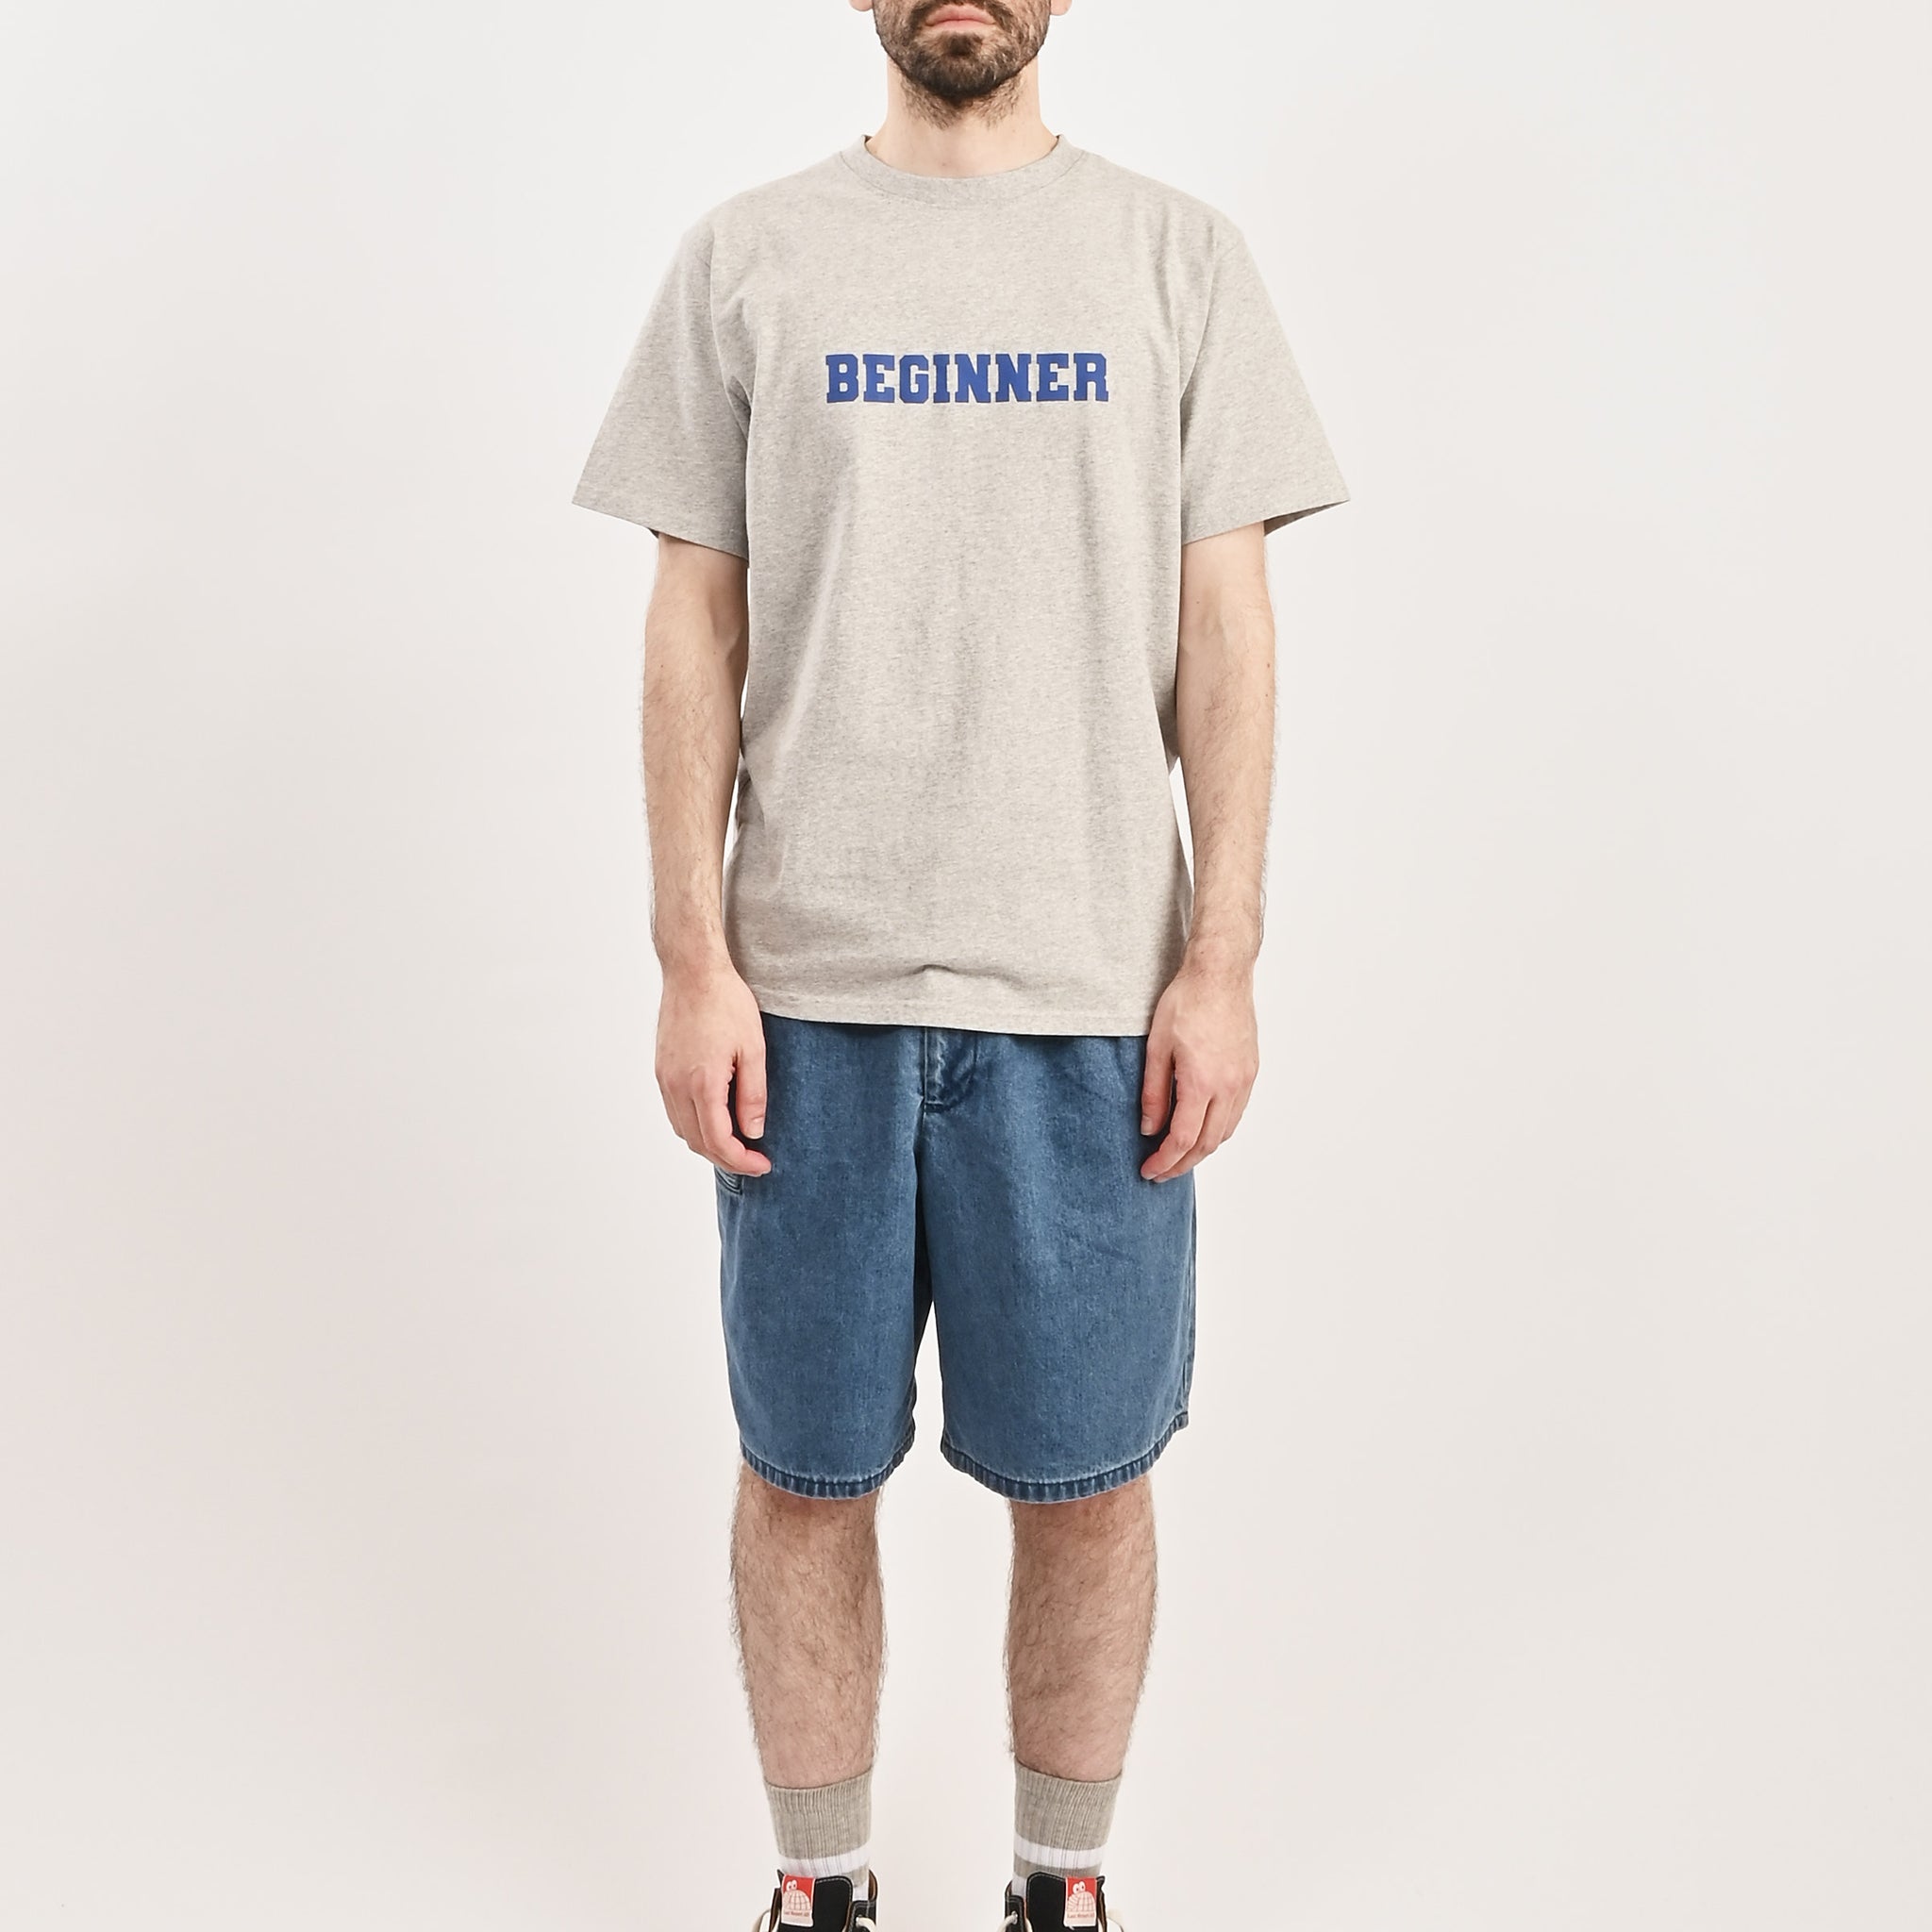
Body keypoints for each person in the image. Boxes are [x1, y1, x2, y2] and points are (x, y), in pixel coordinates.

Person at [571, 3, 1347, 1925]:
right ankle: (818, 1885)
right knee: (802, 1472)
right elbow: (692, 624)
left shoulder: (1178, 260)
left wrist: (1225, 958)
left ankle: (1058, 1886)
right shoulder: (746, 258)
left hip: (1088, 998)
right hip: (806, 995)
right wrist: (689, 955)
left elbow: (1228, 632)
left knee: (1087, 1477)